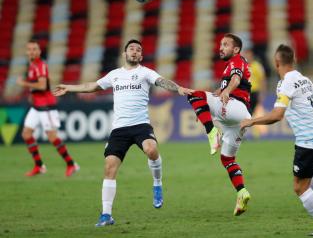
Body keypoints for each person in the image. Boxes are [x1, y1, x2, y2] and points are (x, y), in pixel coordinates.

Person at [53, 39, 194, 227]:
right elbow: (92, 86)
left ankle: (157, 183)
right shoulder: (114, 75)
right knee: (109, 167)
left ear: (141, 56)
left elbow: (161, 81)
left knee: (151, 150)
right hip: (119, 129)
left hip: (141, 125)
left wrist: (178, 88)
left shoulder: (145, 72)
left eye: (138, 50)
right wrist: (69, 87)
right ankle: (106, 215)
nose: (135, 52)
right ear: (124, 54)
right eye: (131, 49)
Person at [240, 44, 313, 236]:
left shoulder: (287, 82)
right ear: (294, 60)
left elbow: (277, 115)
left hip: (308, 142)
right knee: (307, 185)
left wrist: (251, 121)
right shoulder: (303, 80)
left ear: (276, 62)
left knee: (300, 188)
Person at [187, 33, 252, 216]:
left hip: (235, 108)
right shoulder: (229, 67)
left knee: (194, 94)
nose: (221, 48)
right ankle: (242, 192)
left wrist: (227, 91)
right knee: (228, 159)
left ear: (236, 49)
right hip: (239, 119)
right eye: (220, 44)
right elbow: (227, 86)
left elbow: (236, 79)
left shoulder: (237, 61)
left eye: (225, 45)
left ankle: (212, 132)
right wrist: (219, 93)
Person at [17, 40, 79, 177]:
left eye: (35, 49)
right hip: (36, 106)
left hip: (46, 107)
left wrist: (24, 83)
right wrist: (32, 95)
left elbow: (42, 85)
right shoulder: (32, 65)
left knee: (52, 137)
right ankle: (39, 166)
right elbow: (38, 86)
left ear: (39, 51)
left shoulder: (40, 65)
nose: (32, 51)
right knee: (26, 134)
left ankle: (71, 164)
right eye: (30, 49)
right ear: (27, 52)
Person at [244, 49, 266, 114]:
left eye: (249, 55)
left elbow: (262, 80)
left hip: (254, 92)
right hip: (245, 92)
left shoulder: (257, 66)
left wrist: (262, 93)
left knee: (253, 112)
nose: (247, 57)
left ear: (252, 56)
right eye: (246, 55)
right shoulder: (242, 66)